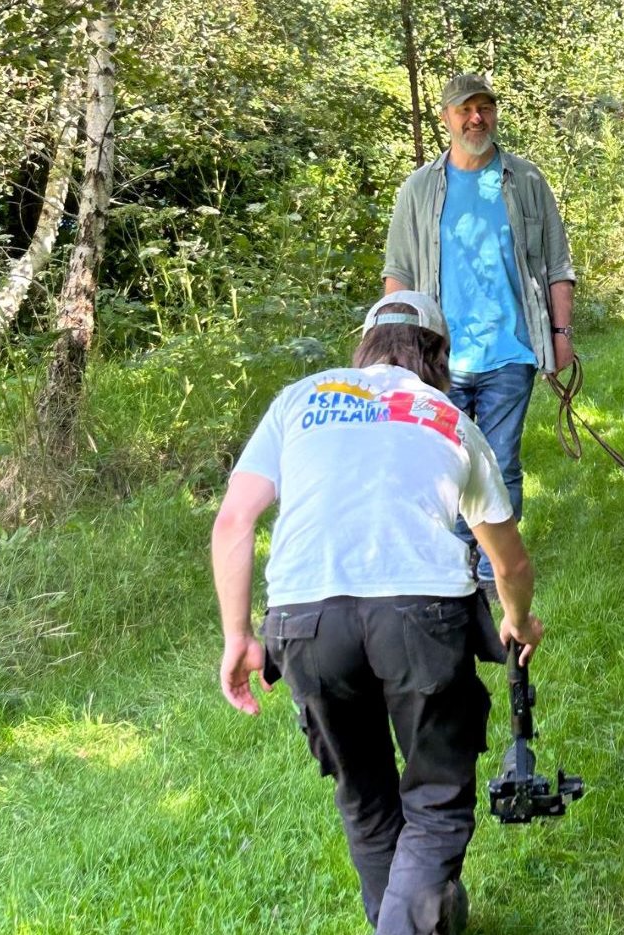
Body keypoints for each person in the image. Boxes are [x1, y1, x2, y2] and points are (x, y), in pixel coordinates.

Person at [212, 290, 544, 935]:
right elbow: (510, 562)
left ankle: (424, 920)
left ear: (364, 347)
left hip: (304, 622)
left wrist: (238, 635)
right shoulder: (449, 418)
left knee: (364, 798)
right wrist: (519, 621)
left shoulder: (300, 399)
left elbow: (234, 522)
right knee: (436, 802)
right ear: (437, 354)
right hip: (420, 614)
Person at [381, 73, 575, 605]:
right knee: (442, 461)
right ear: (445, 117)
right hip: (435, 355)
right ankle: (457, 560)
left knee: (499, 461)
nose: (476, 119)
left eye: (485, 108)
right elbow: (397, 272)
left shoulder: (527, 181)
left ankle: (488, 576)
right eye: (465, 110)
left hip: (510, 349)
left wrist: (560, 335)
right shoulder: (418, 189)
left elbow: (558, 265)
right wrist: (394, 349)